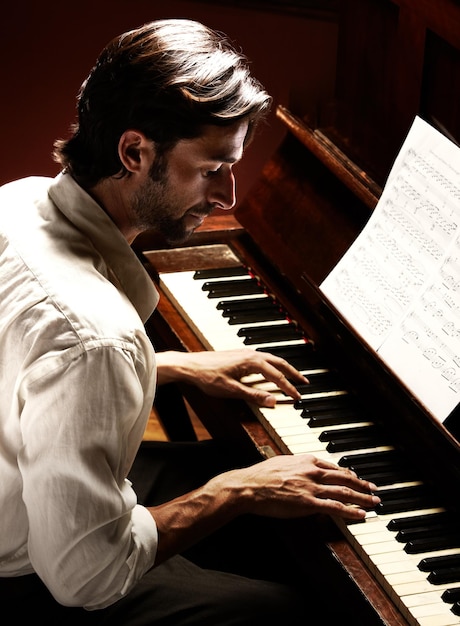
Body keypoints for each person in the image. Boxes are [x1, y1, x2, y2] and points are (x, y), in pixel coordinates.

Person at [0, 18, 380, 625]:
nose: (228, 195)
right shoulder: (97, 338)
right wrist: (238, 490)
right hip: (28, 576)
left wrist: (170, 365)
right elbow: (84, 576)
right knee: (291, 608)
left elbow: (38, 364)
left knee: (250, 492)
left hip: (19, 472)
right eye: (211, 170)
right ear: (133, 152)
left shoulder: (19, 200)